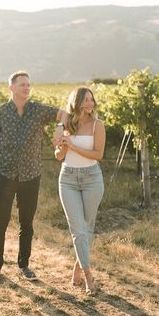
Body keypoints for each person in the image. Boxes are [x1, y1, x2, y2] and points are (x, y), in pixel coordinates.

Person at [0, 70, 67, 283]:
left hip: (31, 176)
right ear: (11, 87)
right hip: (5, 175)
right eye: (22, 84)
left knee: (27, 224)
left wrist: (59, 128)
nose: (27, 88)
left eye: (28, 84)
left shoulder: (38, 110)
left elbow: (65, 113)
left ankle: (24, 266)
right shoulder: (0, 112)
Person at [54, 87, 105, 295]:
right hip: (68, 180)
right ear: (76, 102)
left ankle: (77, 266)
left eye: (92, 100)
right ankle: (88, 277)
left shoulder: (97, 125)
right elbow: (58, 156)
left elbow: (98, 154)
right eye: (85, 100)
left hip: (92, 178)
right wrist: (64, 144)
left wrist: (73, 147)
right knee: (78, 229)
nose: (90, 104)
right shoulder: (66, 124)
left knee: (87, 227)